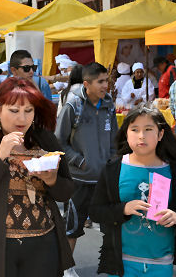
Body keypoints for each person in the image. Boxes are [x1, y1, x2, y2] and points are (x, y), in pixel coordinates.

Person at [0, 77, 74, 277]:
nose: (22, 119)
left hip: (43, 242)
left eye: (28, 110)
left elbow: (66, 191)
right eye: (14, 111)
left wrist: (51, 181)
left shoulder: (45, 139)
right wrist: (0, 156)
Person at [89, 103, 176, 277]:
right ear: (126, 134)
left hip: (161, 263)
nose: (141, 136)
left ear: (160, 134)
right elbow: (95, 211)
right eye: (134, 129)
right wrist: (123, 209)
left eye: (148, 129)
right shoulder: (114, 168)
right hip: (121, 263)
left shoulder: (175, 170)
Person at [55, 62, 118, 277]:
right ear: (86, 84)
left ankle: (113, 264)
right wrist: (79, 161)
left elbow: (113, 140)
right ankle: (65, 268)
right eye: (100, 82)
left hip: (104, 179)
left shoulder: (109, 105)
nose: (105, 85)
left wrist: (112, 161)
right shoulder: (73, 106)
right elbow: (58, 142)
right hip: (78, 180)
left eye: (106, 81)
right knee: (72, 227)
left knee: (112, 225)